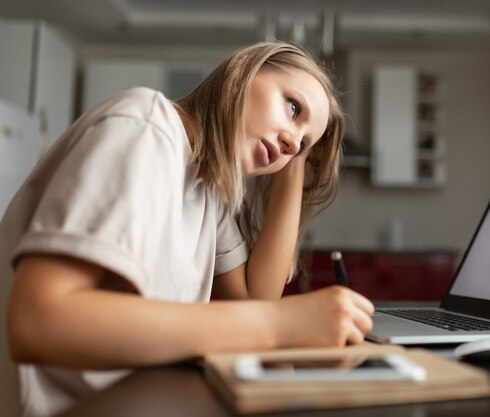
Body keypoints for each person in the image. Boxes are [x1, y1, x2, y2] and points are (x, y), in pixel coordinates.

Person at [0, 41, 374, 417]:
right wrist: (282, 324)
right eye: (293, 107)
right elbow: (37, 320)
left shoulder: (208, 185)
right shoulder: (146, 127)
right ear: (242, 71)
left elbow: (256, 296)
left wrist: (295, 163)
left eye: (303, 144)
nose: (293, 140)